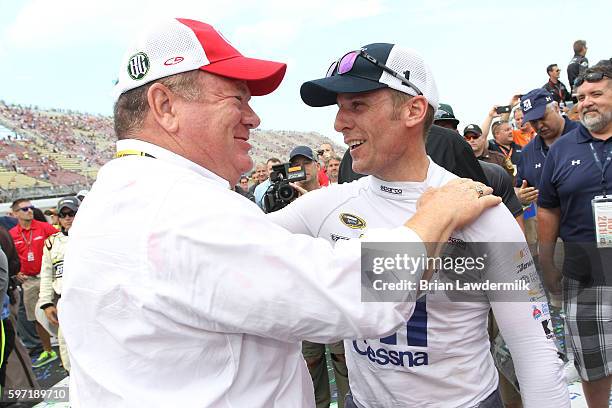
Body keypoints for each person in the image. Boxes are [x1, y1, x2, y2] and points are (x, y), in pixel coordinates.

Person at [59, 18, 499, 408]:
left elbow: (526, 332)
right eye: (237, 98)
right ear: (165, 105)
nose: (254, 118)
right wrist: (435, 215)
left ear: (414, 110)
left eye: (357, 104)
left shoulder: (116, 196)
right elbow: (352, 296)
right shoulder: (183, 211)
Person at [274, 42, 568, 407]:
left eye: (358, 105)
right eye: (339, 108)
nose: (339, 124)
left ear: (414, 109)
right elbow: (231, 248)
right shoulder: (326, 206)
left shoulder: (482, 212)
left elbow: (534, 347)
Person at [538, 61, 612, 408]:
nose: (586, 103)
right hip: (584, 276)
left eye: (596, 94)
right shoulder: (562, 150)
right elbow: (548, 208)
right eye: (581, 97)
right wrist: (547, 261)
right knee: (592, 362)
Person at [8, 199, 58, 368]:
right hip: (29, 281)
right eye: (24, 209)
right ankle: (48, 350)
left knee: (60, 311)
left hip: (50, 278)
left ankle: (69, 346)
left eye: (31, 208)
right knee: (37, 316)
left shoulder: (44, 227)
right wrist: (16, 272)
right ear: (15, 213)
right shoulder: (13, 233)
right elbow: (9, 256)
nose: (29, 211)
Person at [38, 196, 80, 372]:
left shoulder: (92, 238)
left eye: (72, 213)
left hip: (89, 299)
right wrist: (46, 303)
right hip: (65, 300)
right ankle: (72, 378)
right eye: (63, 214)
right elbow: (47, 275)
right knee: (65, 344)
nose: (67, 218)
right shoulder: (51, 242)